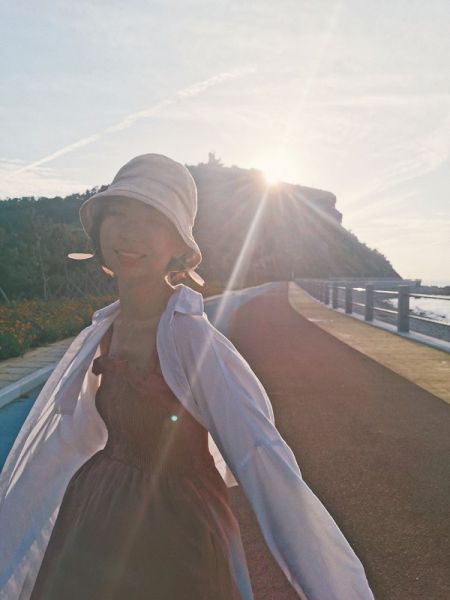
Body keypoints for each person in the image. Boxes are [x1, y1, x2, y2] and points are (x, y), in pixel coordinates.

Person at [0, 154, 375, 600]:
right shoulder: (103, 330)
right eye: (118, 213)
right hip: (97, 514)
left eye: (153, 219)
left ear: (178, 244)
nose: (130, 232)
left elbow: (262, 456)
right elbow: (61, 440)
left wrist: (337, 590)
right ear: (98, 229)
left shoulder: (190, 338)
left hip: (173, 533)